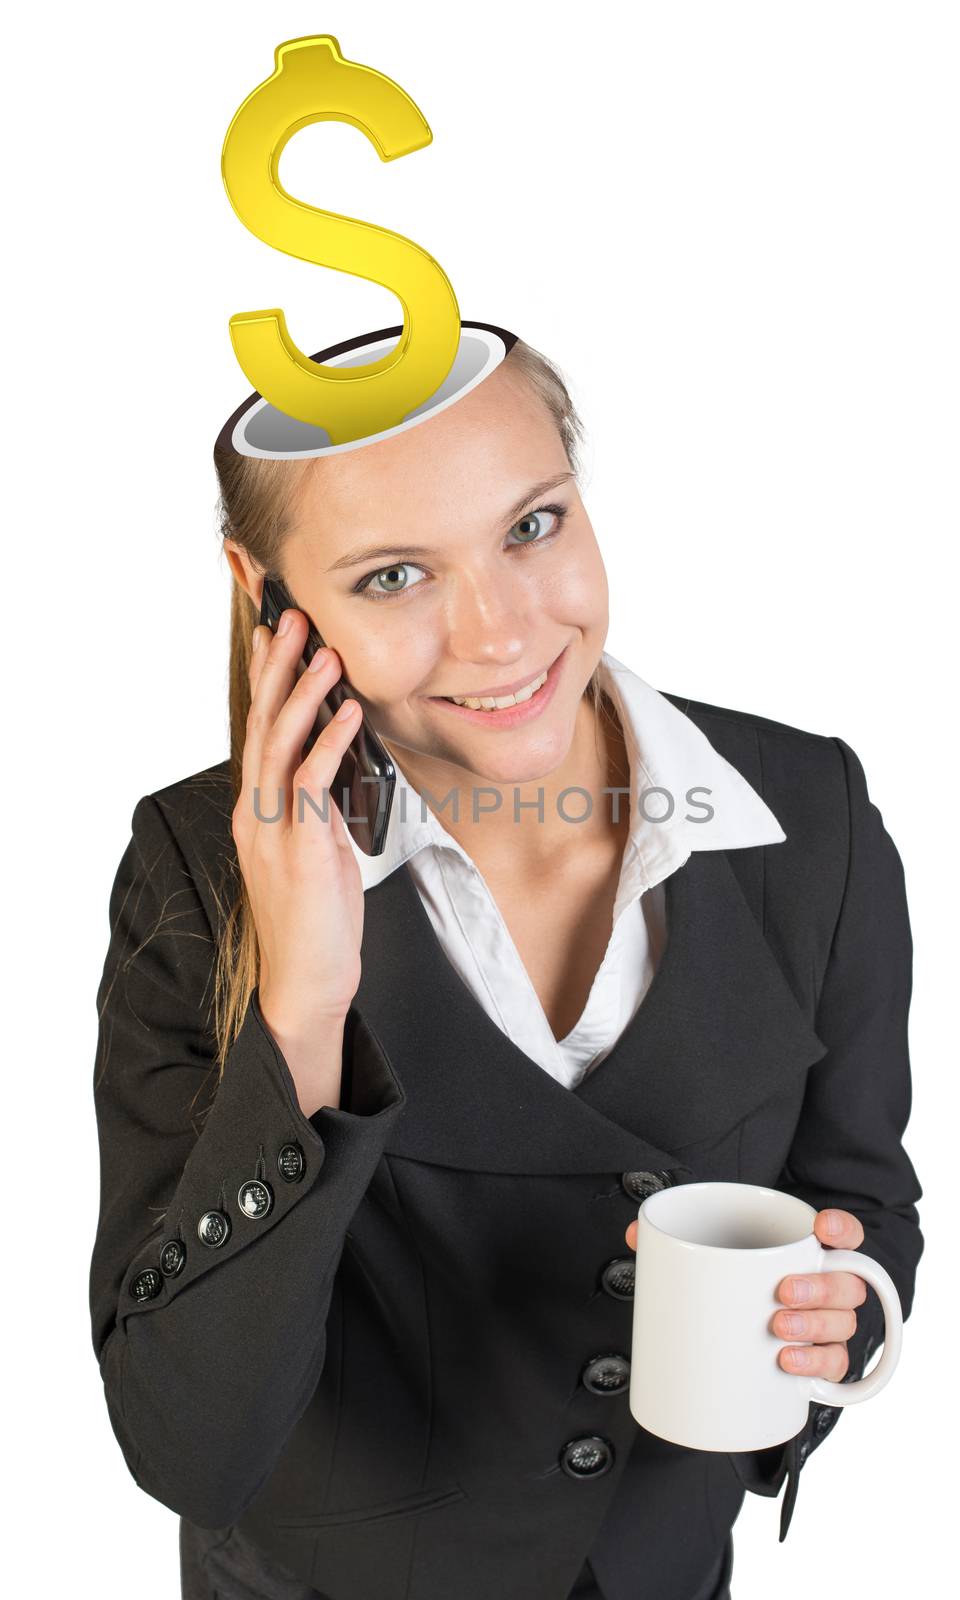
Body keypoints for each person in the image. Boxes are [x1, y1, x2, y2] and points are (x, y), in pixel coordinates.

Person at [89, 321, 923, 1600]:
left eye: (530, 527)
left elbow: (864, 1203)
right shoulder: (197, 874)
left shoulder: (808, 816)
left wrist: (833, 1330)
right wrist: (304, 1009)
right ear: (268, 596)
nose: (499, 633)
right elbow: (190, 1443)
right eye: (392, 577)